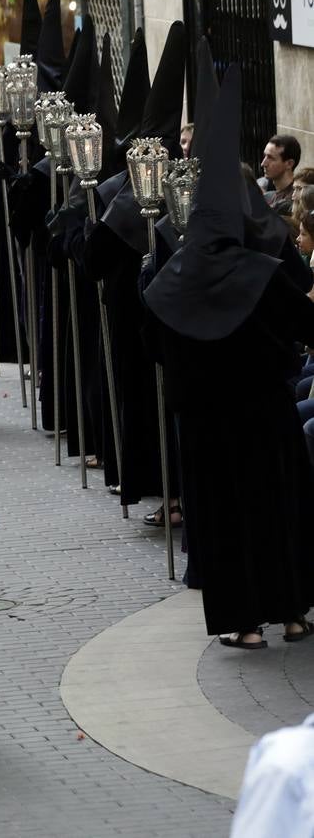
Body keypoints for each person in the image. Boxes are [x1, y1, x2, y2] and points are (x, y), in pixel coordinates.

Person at [144, 69, 314, 649]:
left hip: (207, 421)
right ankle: (290, 609)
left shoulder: (174, 276)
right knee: (277, 507)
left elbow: (155, 344)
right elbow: (308, 323)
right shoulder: (262, 268)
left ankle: (243, 622)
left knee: (225, 517)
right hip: (266, 411)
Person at [262, 134, 301, 215]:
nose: (263, 164)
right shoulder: (268, 196)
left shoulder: (296, 202)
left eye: (271, 158)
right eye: (264, 156)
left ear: (289, 164)